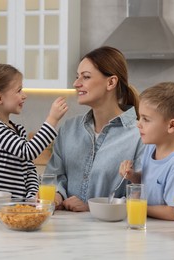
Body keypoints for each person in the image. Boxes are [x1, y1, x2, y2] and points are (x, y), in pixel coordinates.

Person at [46, 46, 145, 211]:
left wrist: (91, 208)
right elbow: (54, 177)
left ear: (111, 82)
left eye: (85, 77)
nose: (76, 84)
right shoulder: (69, 129)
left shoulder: (139, 135)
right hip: (65, 229)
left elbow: (140, 194)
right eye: (77, 77)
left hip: (114, 233)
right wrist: (57, 195)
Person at [0, 63, 68, 198]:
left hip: (16, 207)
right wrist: (52, 119)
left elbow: (29, 169)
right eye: (19, 90)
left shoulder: (17, 130)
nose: (24, 95)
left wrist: (32, 196)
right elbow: (28, 151)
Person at [119, 82, 174, 220]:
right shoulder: (151, 148)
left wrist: (135, 205)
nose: (139, 123)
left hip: (169, 233)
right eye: (140, 117)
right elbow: (150, 180)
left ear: (172, 125)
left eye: (146, 119)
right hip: (153, 227)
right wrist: (133, 176)